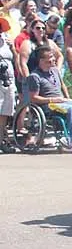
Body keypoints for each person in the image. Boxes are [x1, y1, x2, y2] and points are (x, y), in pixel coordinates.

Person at [26, 45, 72, 151]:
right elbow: (33, 98)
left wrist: (68, 98)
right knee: (70, 109)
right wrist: (53, 100)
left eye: (53, 56)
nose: (53, 59)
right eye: (50, 57)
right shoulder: (34, 76)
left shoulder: (55, 71)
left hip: (61, 102)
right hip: (48, 105)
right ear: (41, 60)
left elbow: (62, 85)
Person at [0, 17, 17, 153]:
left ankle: (2, 139)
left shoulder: (5, 39)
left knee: (6, 111)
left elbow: (15, 58)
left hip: (9, 79)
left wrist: (12, 47)